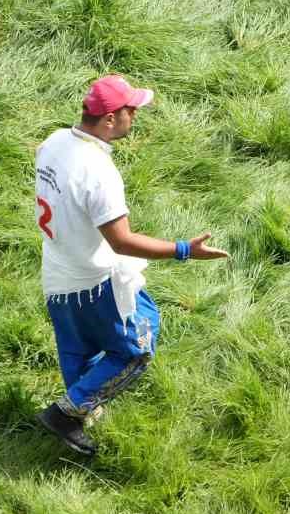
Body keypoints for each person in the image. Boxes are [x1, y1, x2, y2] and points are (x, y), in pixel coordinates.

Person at [32, 75, 228, 456]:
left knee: (78, 349)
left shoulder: (55, 141)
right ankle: (66, 413)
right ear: (108, 119)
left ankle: (80, 411)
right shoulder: (98, 172)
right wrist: (185, 249)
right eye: (130, 110)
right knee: (137, 345)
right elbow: (122, 240)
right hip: (95, 280)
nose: (134, 116)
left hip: (57, 271)